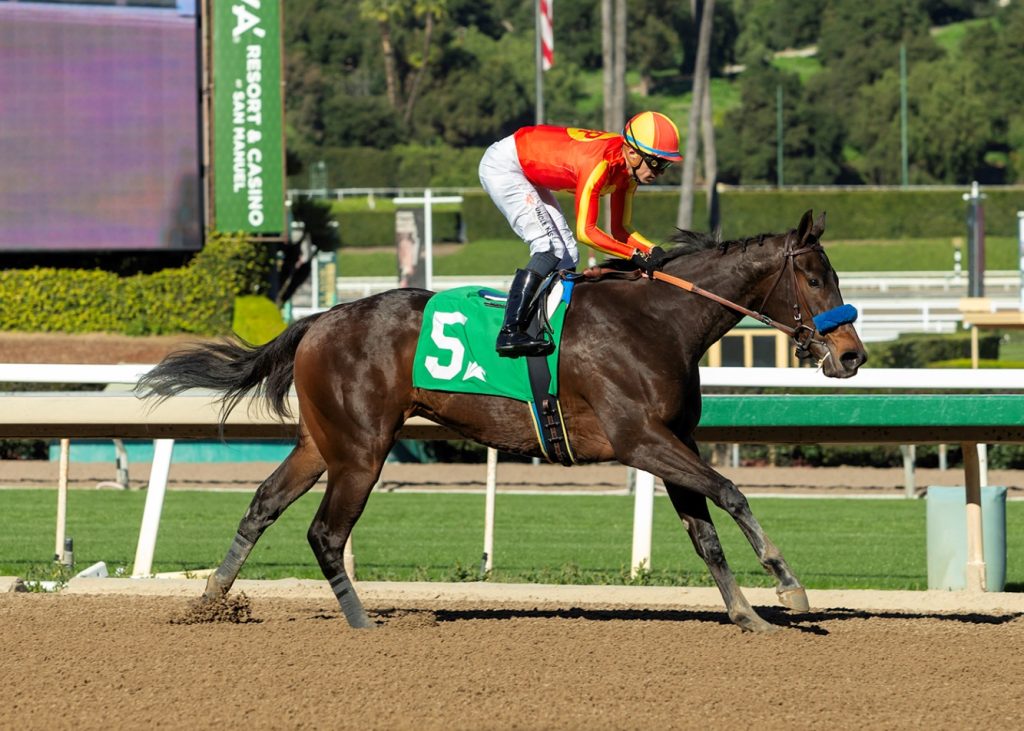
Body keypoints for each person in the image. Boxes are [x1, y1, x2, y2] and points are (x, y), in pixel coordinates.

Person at [479, 111, 682, 358]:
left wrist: (653, 250)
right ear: (632, 153)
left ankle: (551, 325)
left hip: (527, 168)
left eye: (665, 165)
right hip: (505, 166)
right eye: (657, 163)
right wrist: (634, 255)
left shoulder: (627, 173)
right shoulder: (599, 164)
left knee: (568, 255)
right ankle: (510, 331)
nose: (660, 172)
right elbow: (586, 232)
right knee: (547, 246)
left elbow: (620, 229)